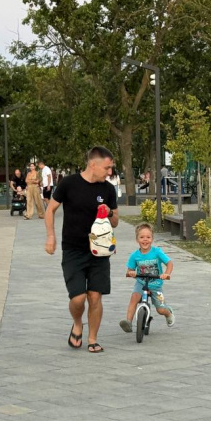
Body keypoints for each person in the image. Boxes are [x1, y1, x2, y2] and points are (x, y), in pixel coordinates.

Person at [44, 146, 119, 352]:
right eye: (107, 168)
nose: (110, 172)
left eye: (111, 168)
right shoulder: (69, 183)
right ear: (92, 165)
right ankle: (77, 323)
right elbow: (50, 209)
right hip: (73, 250)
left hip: (99, 251)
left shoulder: (108, 189)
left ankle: (92, 339)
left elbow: (116, 221)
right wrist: (51, 236)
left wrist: (109, 212)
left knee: (95, 296)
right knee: (78, 298)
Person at [119, 223, 174, 333]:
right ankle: (128, 322)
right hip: (141, 282)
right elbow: (129, 270)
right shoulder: (134, 255)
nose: (145, 240)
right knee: (134, 297)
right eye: (142, 237)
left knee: (161, 309)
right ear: (137, 239)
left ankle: (168, 313)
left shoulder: (157, 252)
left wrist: (166, 274)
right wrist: (131, 273)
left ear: (152, 239)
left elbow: (169, 263)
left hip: (156, 284)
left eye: (148, 237)